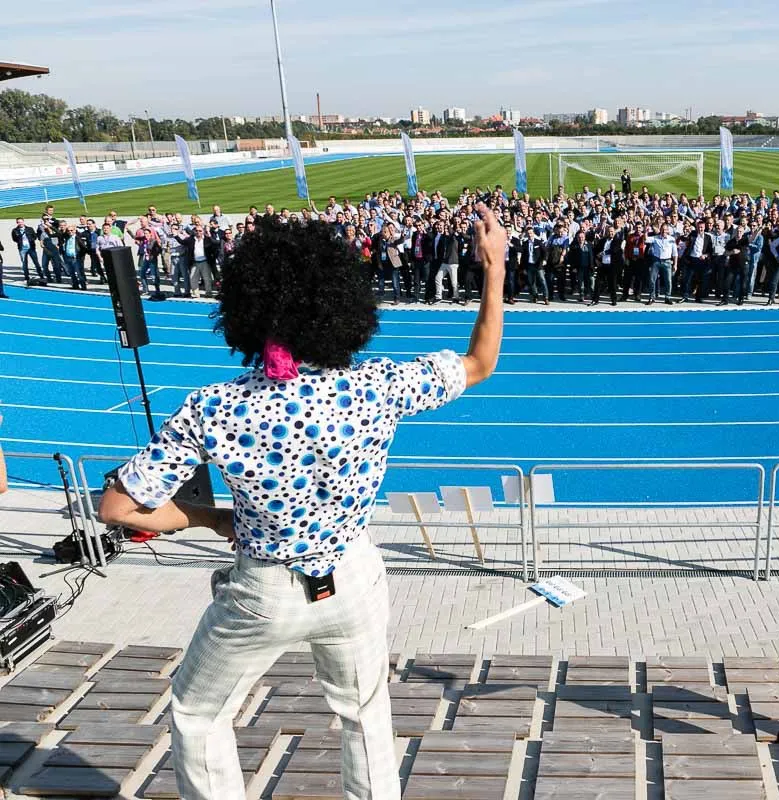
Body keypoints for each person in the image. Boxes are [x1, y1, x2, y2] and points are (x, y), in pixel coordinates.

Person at [98, 203, 509, 800]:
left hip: (263, 590)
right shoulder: (379, 386)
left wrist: (211, 518)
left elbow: (117, 508)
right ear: (343, 308)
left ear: (246, 310)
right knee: (365, 714)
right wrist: (494, 268)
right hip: (354, 577)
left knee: (197, 713)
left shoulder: (214, 406)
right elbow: (481, 362)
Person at [12, 219, 43, 286]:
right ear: (17, 223)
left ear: (23, 222)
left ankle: (41, 275)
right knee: (24, 263)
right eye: (18, 222)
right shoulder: (15, 230)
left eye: (21, 222)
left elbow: (35, 236)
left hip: (31, 248)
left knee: (36, 262)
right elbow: (14, 239)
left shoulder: (29, 229)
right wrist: (19, 239)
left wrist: (31, 240)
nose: (20, 223)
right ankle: (26, 277)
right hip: (22, 249)